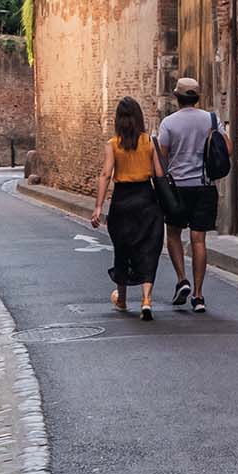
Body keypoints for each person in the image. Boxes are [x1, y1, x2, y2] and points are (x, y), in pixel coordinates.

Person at [157, 76, 233, 314]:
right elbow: (227, 148)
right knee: (199, 240)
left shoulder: (168, 123)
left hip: (177, 188)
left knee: (173, 235)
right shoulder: (211, 119)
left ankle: (182, 280)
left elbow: (162, 157)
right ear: (198, 98)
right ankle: (199, 296)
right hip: (205, 186)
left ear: (177, 97)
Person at [91, 96, 164, 320]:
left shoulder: (113, 145)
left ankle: (122, 299)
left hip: (122, 202)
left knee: (122, 250)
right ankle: (146, 300)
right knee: (149, 249)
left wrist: (98, 207)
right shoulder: (150, 142)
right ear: (139, 117)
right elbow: (159, 175)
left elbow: (105, 175)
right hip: (146, 199)